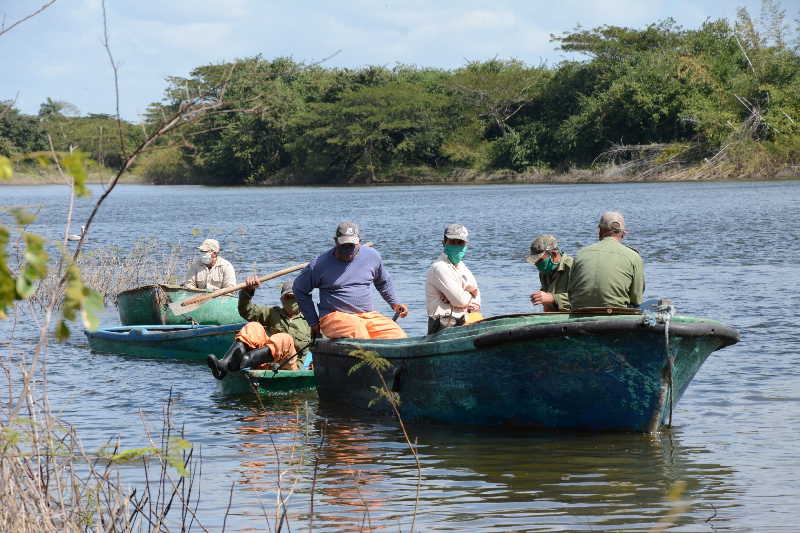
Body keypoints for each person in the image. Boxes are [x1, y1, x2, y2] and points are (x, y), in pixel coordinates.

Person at [293, 222, 409, 340]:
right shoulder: (318, 265)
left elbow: (383, 282)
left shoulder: (372, 256)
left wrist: (394, 303)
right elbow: (299, 289)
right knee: (359, 333)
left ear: (359, 241)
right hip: (334, 317)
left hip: (368, 316)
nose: (348, 249)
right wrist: (313, 322)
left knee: (398, 336)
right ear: (336, 241)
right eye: (344, 245)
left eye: (351, 245)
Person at [207, 278, 312, 379]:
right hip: (266, 363)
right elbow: (246, 310)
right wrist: (248, 290)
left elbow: (322, 346)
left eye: (295, 297)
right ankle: (225, 364)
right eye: (288, 297)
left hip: (290, 367)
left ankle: (243, 360)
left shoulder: (310, 321)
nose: (292, 300)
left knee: (285, 338)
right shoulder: (273, 313)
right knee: (253, 327)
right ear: (282, 299)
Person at [567, 211, 645, 309]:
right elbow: (637, 299)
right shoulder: (633, 257)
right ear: (623, 233)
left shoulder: (580, 254)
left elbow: (570, 294)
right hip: (616, 315)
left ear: (599, 231)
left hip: (580, 313)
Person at [425, 224, 482, 334]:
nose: (457, 246)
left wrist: (461, 297)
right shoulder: (439, 267)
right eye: (453, 242)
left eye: (460, 242)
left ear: (466, 245)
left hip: (465, 320)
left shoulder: (462, 267)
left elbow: (477, 295)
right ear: (444, 243)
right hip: (444, 325)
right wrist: (468, 294)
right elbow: (459, 300)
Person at [528, 234, 573, 312]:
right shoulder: (544, 272)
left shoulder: (573, 267)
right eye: (535, 261)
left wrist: (552, 298)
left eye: (540, 260)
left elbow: (584, 298)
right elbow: (547, 304)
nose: (536, 264)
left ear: (554, 255)